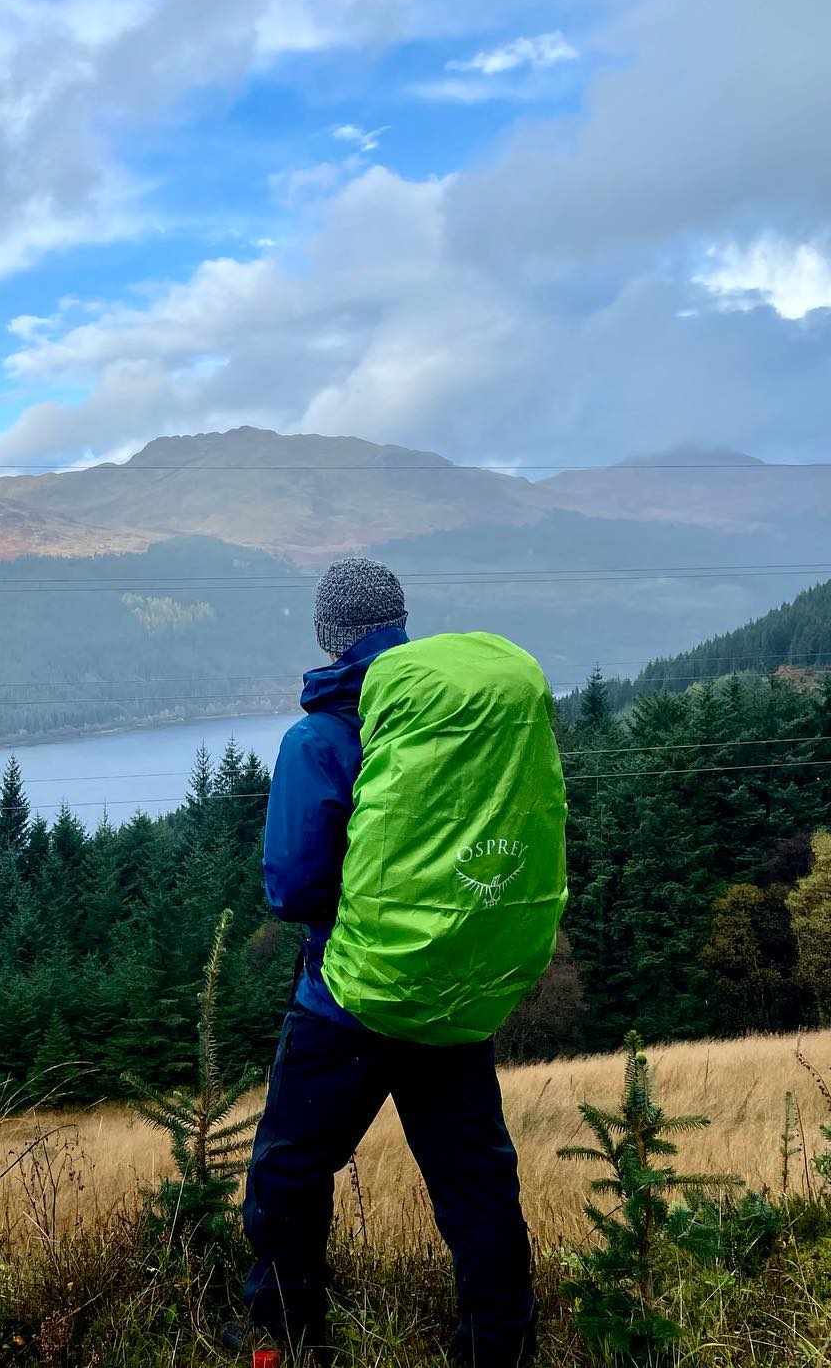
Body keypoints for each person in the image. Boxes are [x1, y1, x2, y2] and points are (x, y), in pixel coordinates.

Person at [236, 556, 568, 1366]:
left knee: (289, 1169)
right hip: (454, 990)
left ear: (329, 633)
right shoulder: (454, 725)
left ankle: (290, 1341)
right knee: (476, 1185)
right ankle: (500, 1349)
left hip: (347, 998)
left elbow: (294, 884)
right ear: (400, 622)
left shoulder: (320, 736)